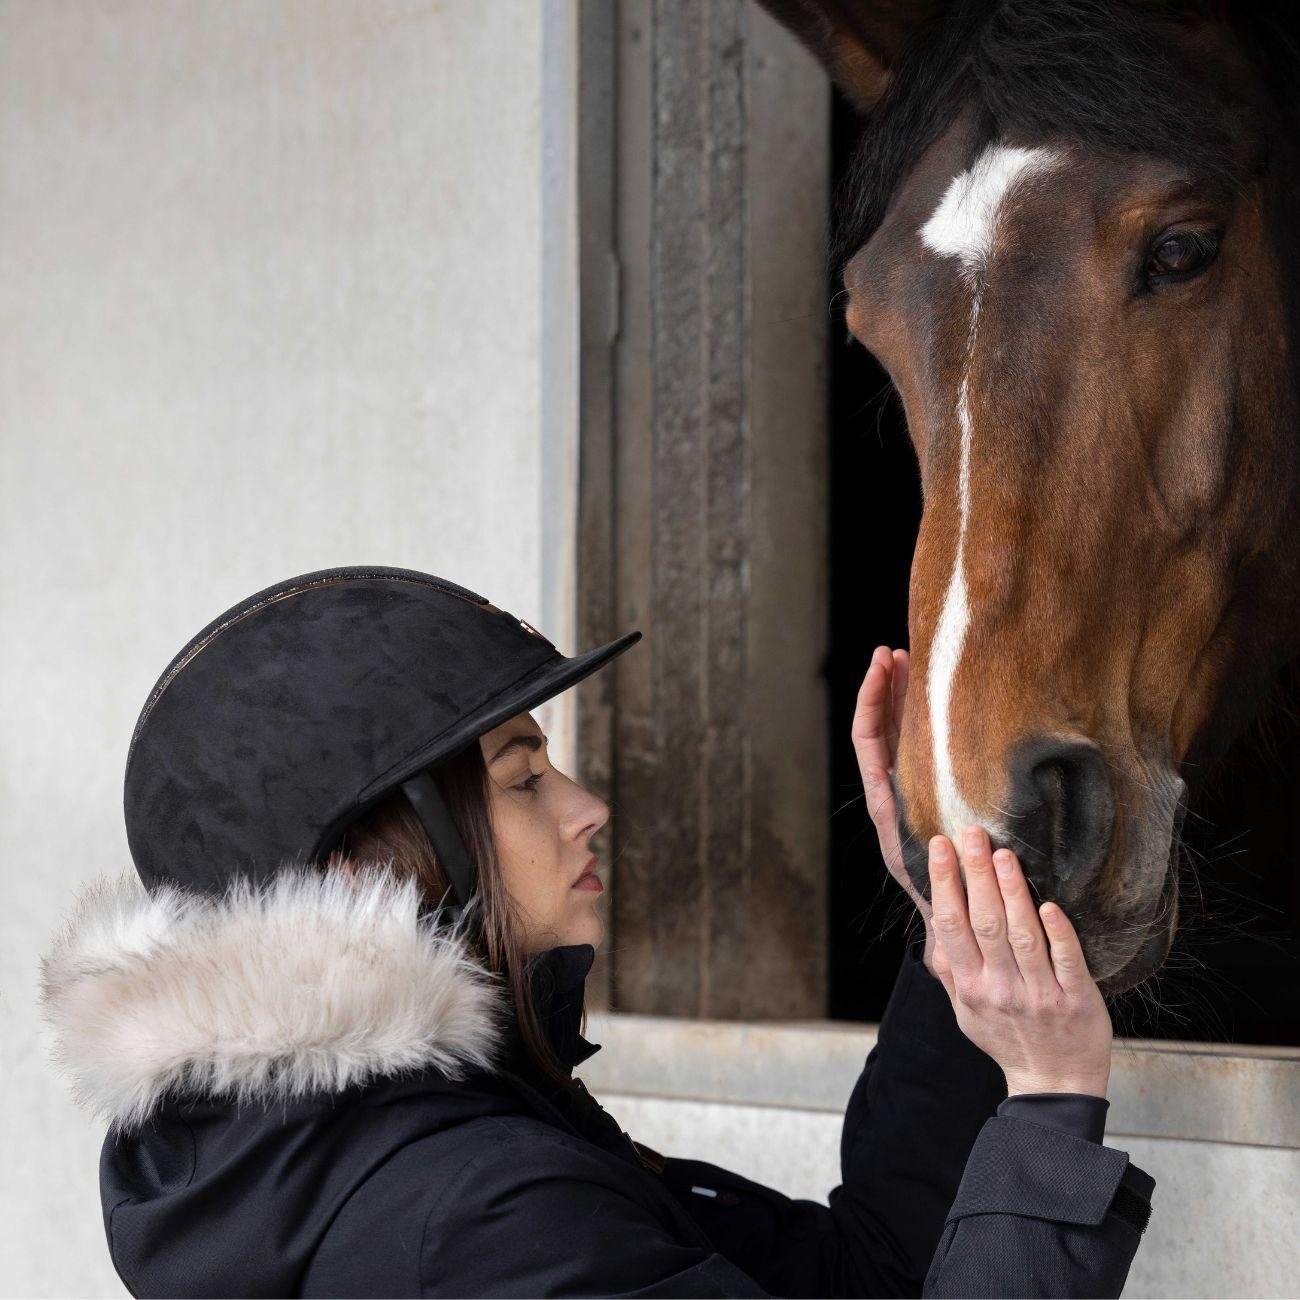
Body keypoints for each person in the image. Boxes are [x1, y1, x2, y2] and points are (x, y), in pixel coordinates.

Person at [39, 565, 1153, 1298]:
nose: (588, 807)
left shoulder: (357, 1152)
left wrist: (944, 931)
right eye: (523, 780)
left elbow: (867, 1276)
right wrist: (1051, 1097)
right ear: (363, 875)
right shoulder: (482, 1220)